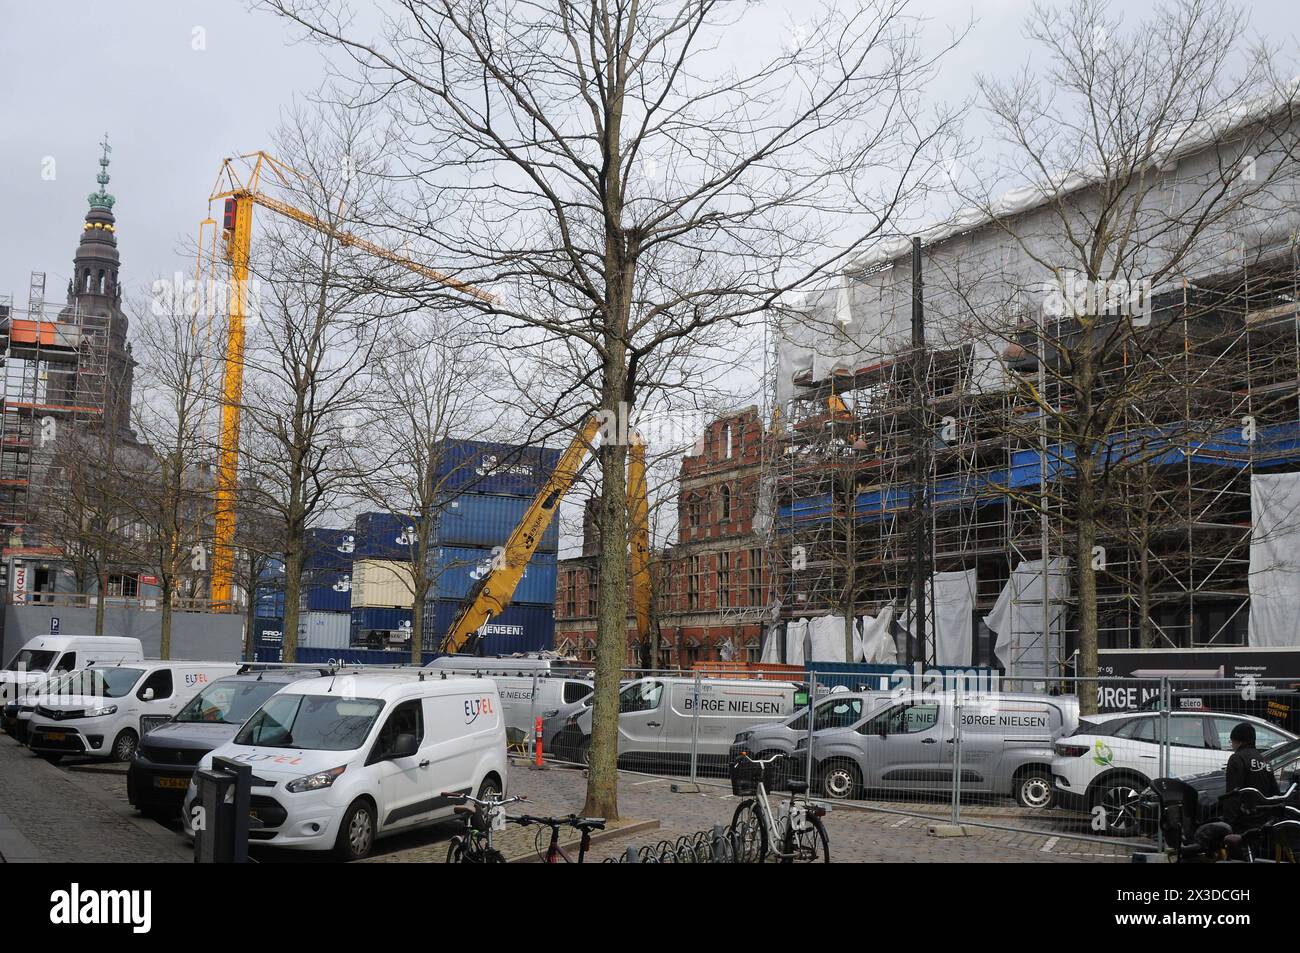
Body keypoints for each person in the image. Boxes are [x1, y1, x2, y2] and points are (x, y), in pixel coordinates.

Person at [1224, 722, 1279, 796]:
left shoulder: (1236, 758)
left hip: (1246, 806)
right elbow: (1275, 790)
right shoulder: (1263, 759)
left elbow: (1232, 792)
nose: (1232, 745)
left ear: (1238, 741)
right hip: (1265, 805)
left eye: (1232, 741)